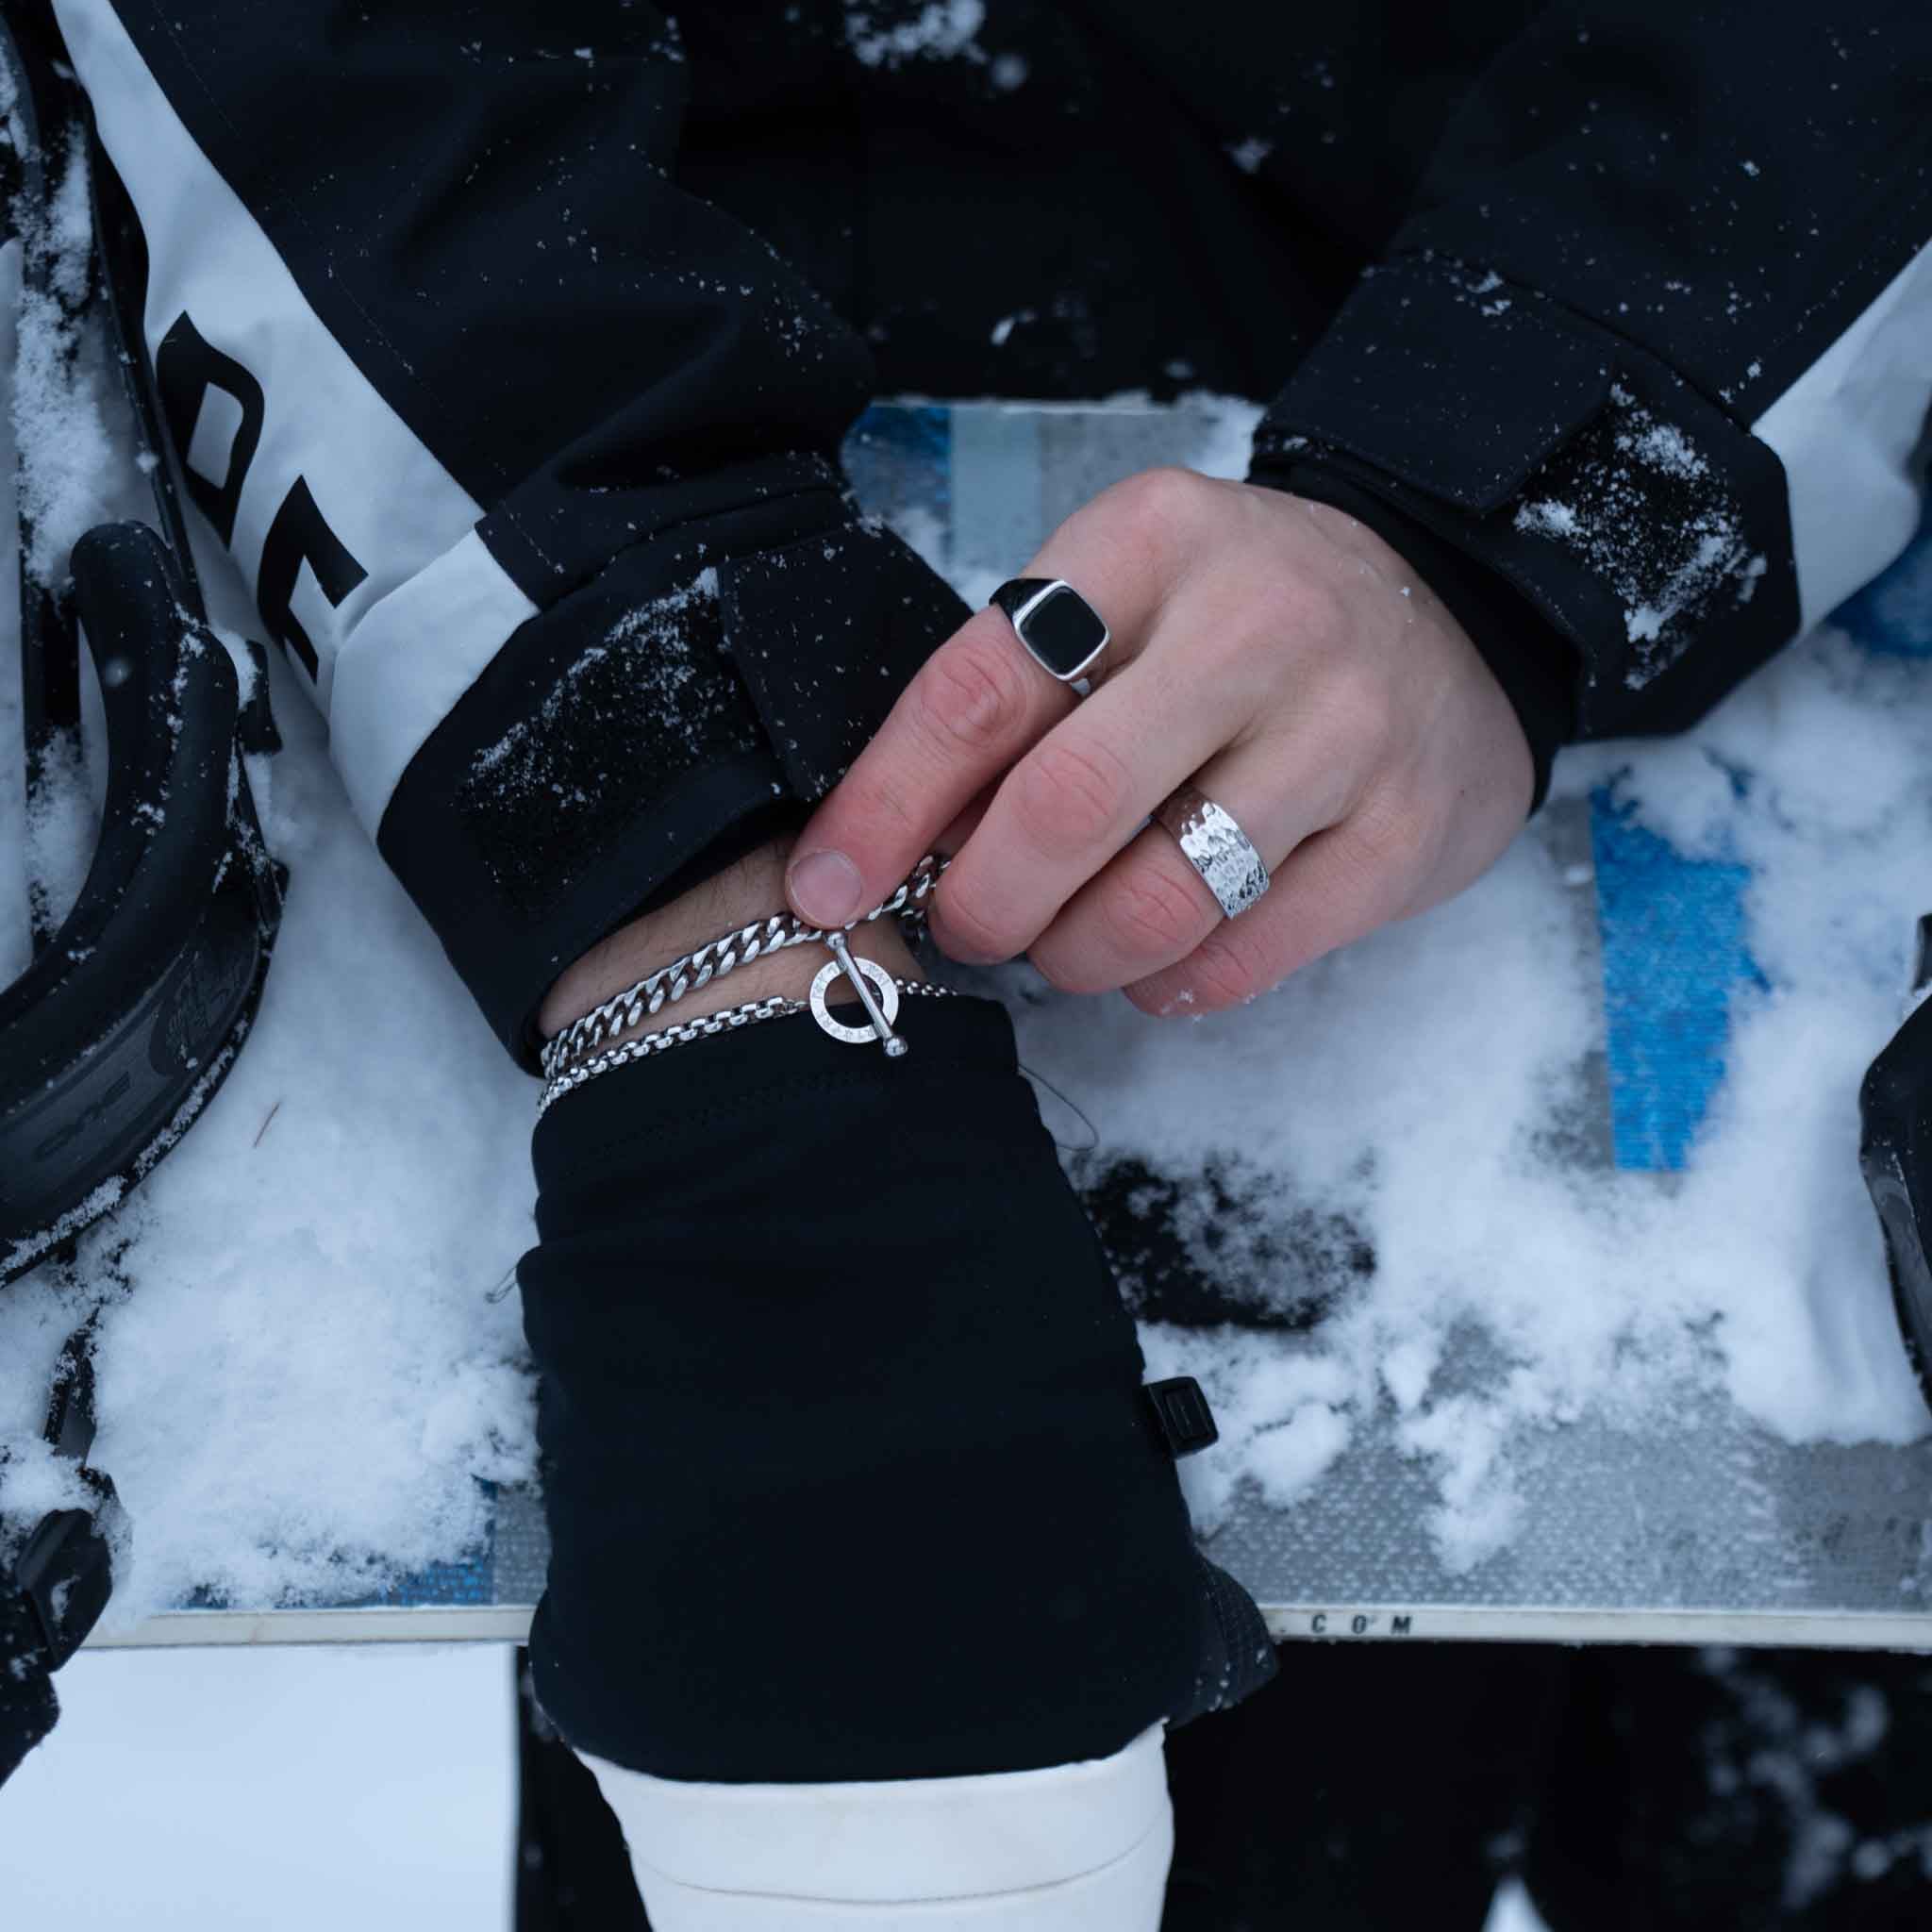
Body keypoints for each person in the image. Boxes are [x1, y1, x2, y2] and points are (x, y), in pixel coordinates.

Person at [17, 0, 1932, 1924]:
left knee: (1803, 1825)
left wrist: (1542, 475)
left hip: (1714, 518)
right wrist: (667, 803)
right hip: (576, 363)